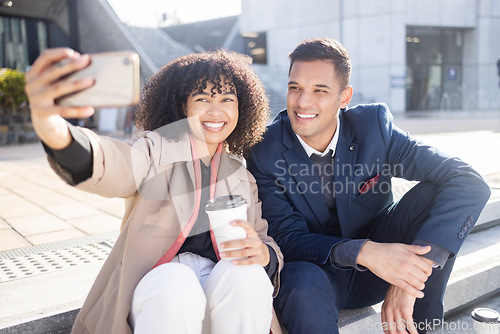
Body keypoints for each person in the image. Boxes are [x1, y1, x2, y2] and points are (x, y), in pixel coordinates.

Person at [25, 47, 283, 334]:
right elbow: (115, 163)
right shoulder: (157, 148)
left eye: (227, 99)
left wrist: (264, 254)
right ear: (183, 106)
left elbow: (262, 239)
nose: (215, 109)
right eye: (202, 98)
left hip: (220, 299)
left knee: (247, 275)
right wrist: (54, 130)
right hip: (159, 295)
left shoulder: (241, 175)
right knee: (176, 284)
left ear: (242, 107)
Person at [246, 37, 491, 334]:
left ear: (344, 96)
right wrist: (364, 251)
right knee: (299, 280)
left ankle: (422, 326)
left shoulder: (373, 127)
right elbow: (288, 237)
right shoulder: (264, 149)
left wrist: (409, 281)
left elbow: (469, 181)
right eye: (294, 87)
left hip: (387, 267)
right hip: (317, 272)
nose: (302, 102)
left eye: (319, 90)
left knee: (435, 193)